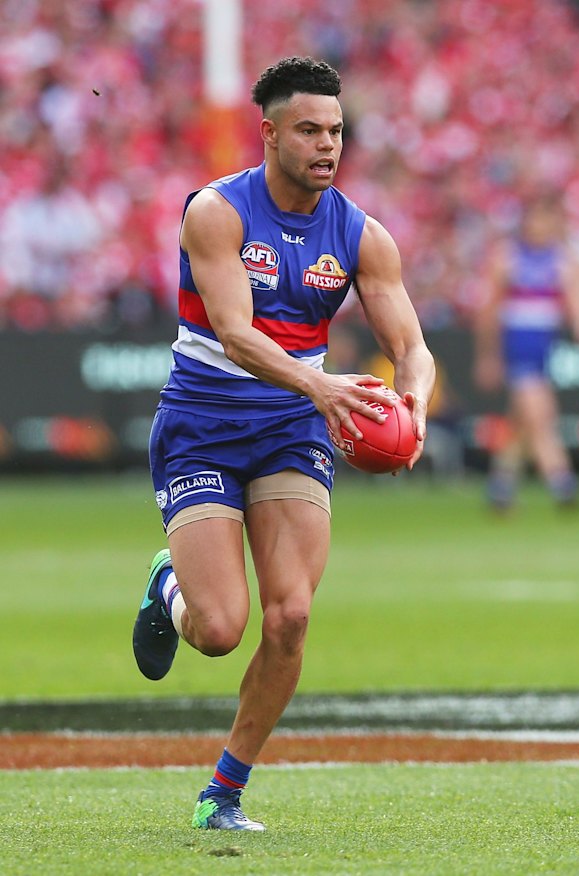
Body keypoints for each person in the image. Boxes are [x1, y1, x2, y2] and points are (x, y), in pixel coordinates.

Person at [132, 56, 435, 832]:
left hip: (292, 427)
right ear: (268, 133)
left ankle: (223, 793)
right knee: (219, 630)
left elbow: (412, 345)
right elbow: (234, 334)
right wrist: (325, 387)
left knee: (291, 617)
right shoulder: (217, 212)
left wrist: (415, 404)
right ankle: (171, 586)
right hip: (204, 422)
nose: (326, 145)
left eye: (334, 131)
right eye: (308, 130)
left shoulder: (363, 234)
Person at [474, 194, 579, 510]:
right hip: (517, 346)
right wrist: (488, 356)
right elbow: (489, 312)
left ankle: (500, 484)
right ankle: (562, 482)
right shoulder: (507, 257)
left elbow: (577, 309)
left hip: (544, 348)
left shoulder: (563, 259)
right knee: (540, 415)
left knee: (522, 420)